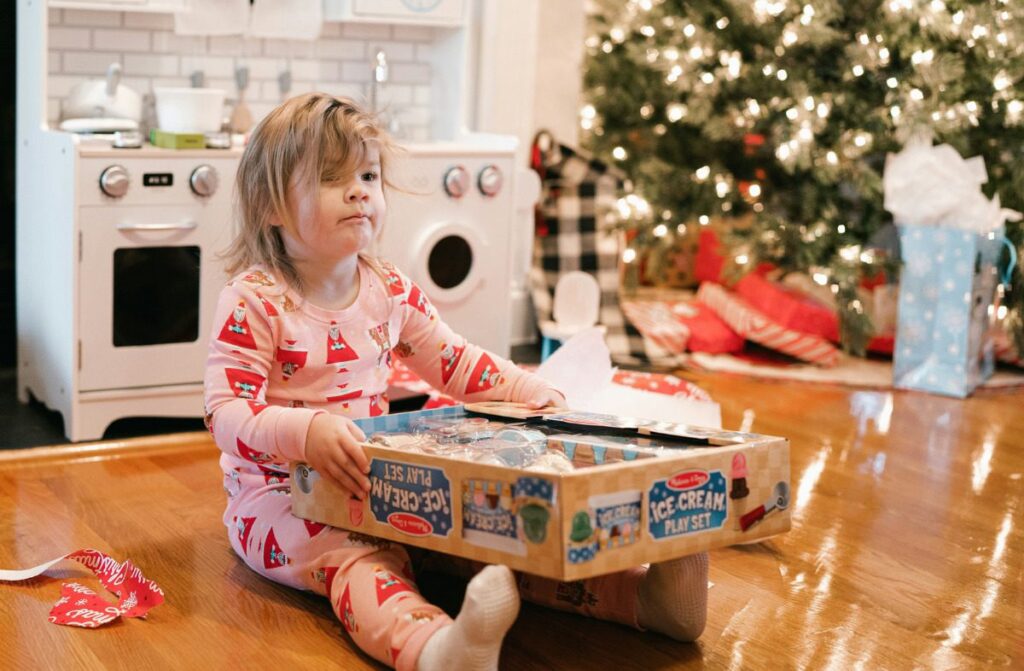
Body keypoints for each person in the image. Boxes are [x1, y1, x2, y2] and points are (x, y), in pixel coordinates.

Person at [204, 92, 708, 671]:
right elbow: (226, 414)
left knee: (491, 538)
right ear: (271, 205)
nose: (359, 191)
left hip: (377, 480)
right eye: (329, 177)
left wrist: (524, 388)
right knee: (361, 562)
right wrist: (304, 431)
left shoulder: (387, 288)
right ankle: (436, 651)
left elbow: (455, 361)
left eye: (368, 174)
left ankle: (647, 599)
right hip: (278, 499)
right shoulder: (254, 300)